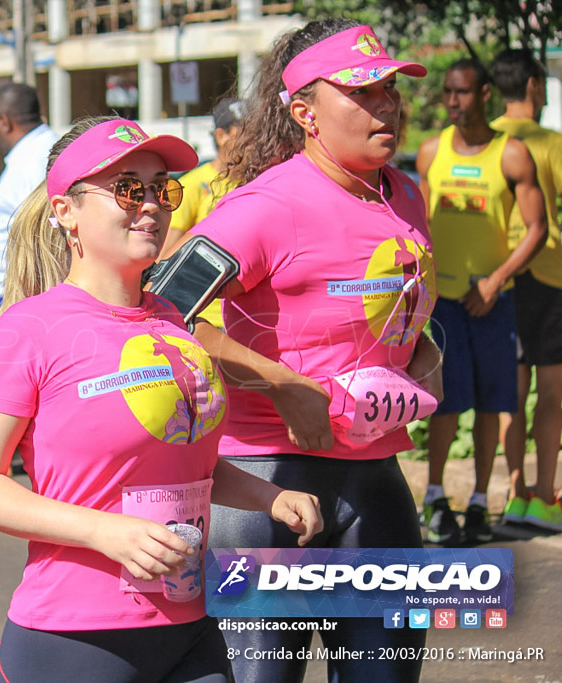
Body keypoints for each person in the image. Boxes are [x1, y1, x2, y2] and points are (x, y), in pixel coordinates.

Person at [0, 116, 322, 683]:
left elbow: (181, 465)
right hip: (76, 638)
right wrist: (104, 530)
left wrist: (270, 497)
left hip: (189, 624)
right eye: (127, 188)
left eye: (161, 187)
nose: (150, 204)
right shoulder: (26, 330)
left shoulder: (173, 322)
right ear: (65, 211)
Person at [171, 20, 441, 682]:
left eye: (390, 90)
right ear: (305, 113)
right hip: (262, 486)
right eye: (362, 92)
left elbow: (387, 309)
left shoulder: (406, 195)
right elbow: (164, 311)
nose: (385, 106)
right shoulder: (266, 205)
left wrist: (422, 350)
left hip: (373, 482)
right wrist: (279, 382)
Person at [417, 58, 547, 545]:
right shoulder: (431, 152)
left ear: (485, 93)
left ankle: (476, 504)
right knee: (444, 405)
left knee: (492, 405)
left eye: (463, 93)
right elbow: (418, 225)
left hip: (494, 300)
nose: (453, 101)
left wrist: (495, 281)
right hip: (445, 302)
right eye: (448, 92)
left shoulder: (511, 154)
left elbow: (538, 228)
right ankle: (434, 497)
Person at [491, 49, 562, 531]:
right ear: (534, 86)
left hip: (502, 277)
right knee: (551, 393)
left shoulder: (488, 139)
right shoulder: (551, 143)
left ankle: (514, 493)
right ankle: (544, 497)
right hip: (551, 273)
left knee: (511, 394)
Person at [0, 83, 58, 314]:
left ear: (4, 121)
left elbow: (47, 230)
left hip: (26, 296)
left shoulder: (37, 158)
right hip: (17, 294)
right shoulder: (30, 154)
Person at [161, 97, 244, 255]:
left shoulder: (258, 181)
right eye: (245, 134)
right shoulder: (192, 184)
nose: (255, 141)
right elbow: (165, 257)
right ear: (221, 136)